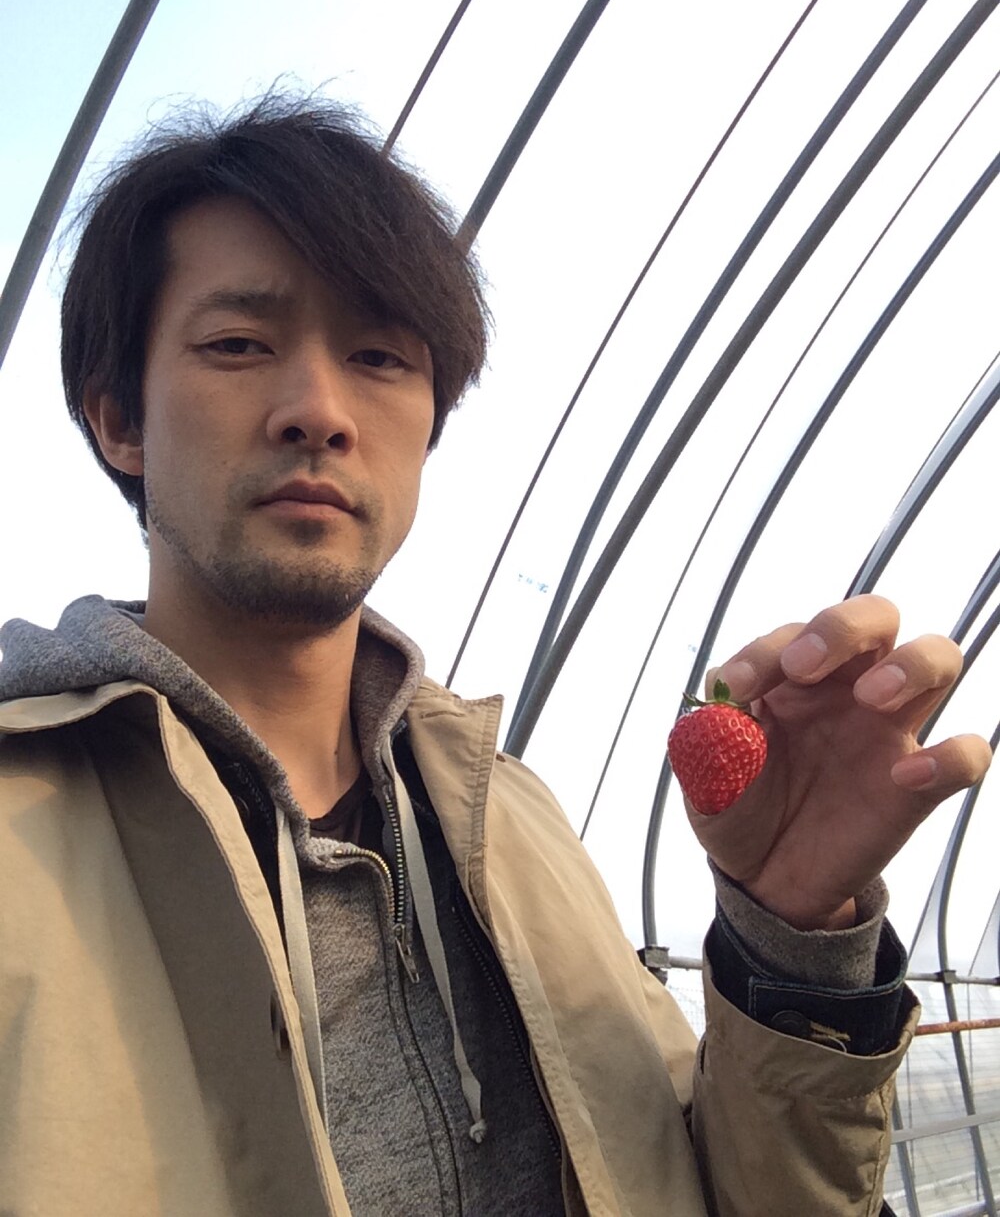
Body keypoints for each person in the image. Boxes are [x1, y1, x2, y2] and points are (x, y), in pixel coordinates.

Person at [0, 97, 989, 1217]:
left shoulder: (506, 818)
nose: (318, 410)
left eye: (379, 356)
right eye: (237, 344)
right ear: (118, 420)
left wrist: (790, 940)